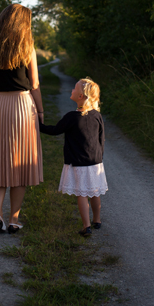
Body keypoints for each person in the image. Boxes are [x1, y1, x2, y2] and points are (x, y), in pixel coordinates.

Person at [0, 4, 44, 234]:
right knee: (20, 164)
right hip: (22, 106)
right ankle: (14, 219)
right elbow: (34, 85)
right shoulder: (27, 47)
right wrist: (40, 112)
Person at [39, 78, 107, 236]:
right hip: (95, 162)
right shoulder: (97, 116)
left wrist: (37, 125)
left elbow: (55, 130)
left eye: (74, 89)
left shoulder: (72, 117)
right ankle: (97, 220)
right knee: (95, 192)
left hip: (78, 162)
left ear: (81, 96)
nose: (71, 90)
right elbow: (101, 138)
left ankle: (86, 226)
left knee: (82, 194)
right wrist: (99, 157)